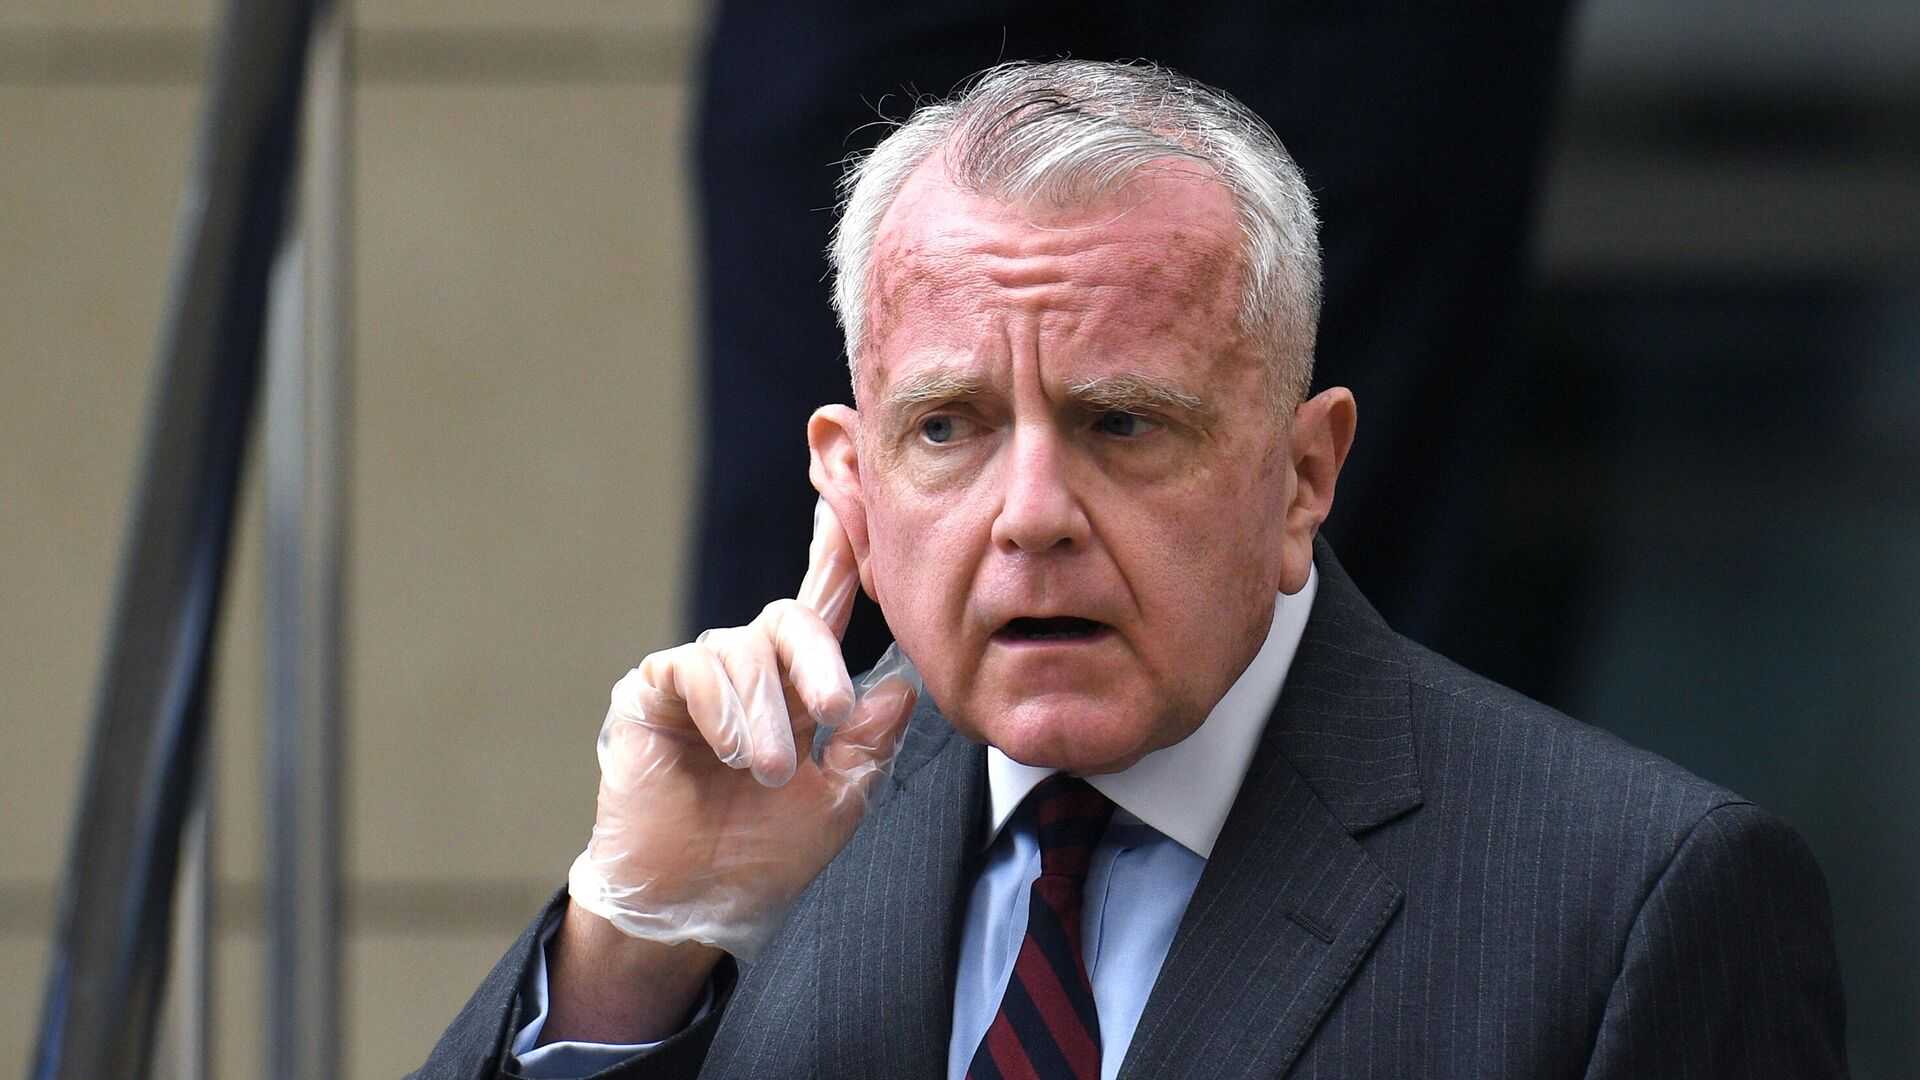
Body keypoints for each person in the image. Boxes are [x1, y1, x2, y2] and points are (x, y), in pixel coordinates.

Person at [415, 61, 1846, 1079]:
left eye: (1123, 424)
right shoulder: (754, 852)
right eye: (949, 428)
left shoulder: (1635, 906)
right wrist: (630, 953)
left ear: (1305, 475)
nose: (1033, 514)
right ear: (851, 482)